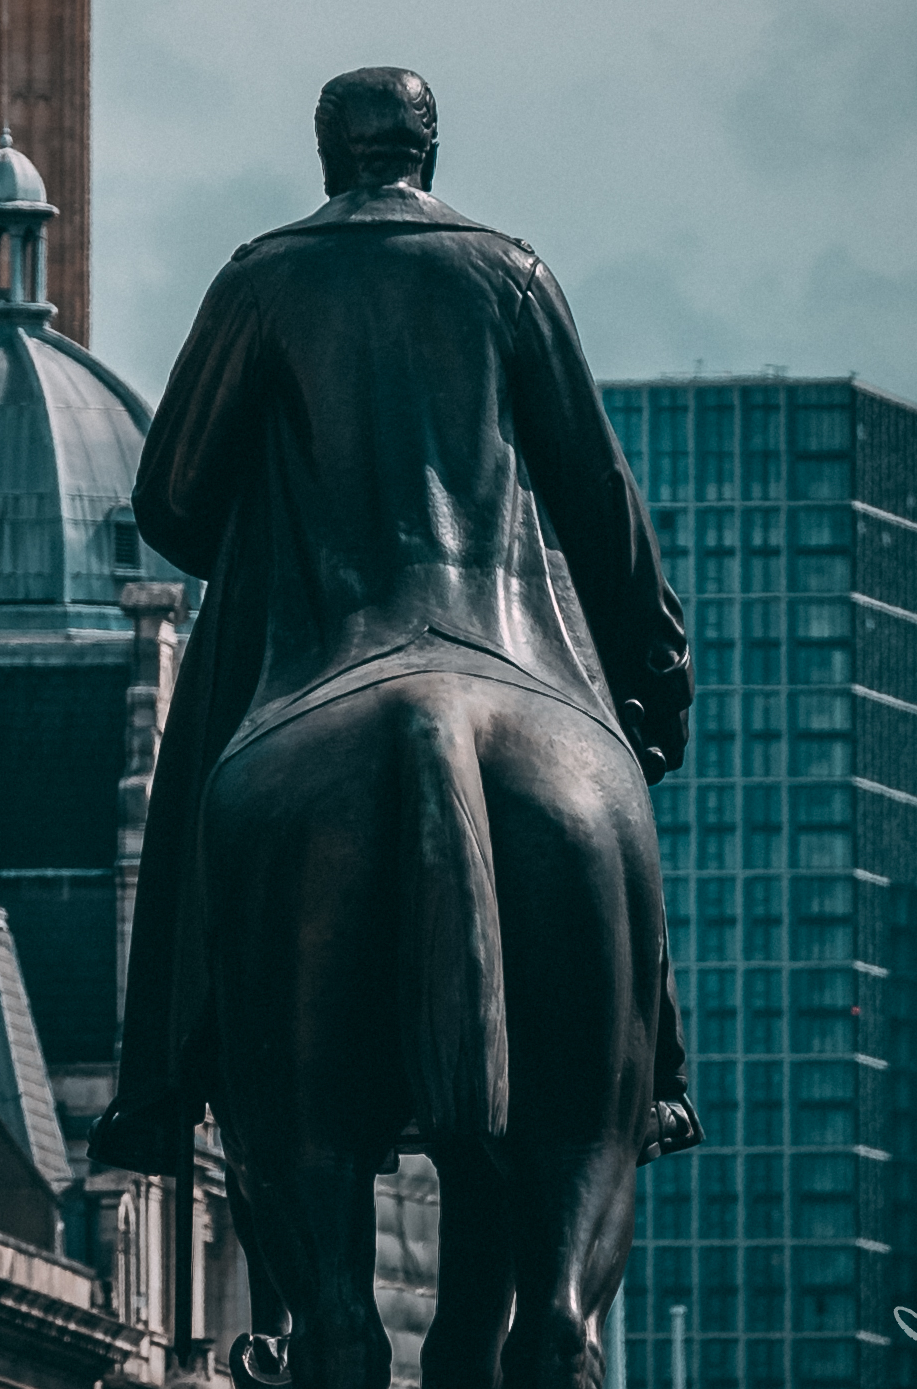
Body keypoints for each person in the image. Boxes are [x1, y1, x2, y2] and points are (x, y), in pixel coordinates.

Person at [92, 64, 698, 1173]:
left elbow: (170, 497)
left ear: (328, 157)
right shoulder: (511, 273)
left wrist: (269, 545)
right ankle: (654, 1069)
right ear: (430, 153)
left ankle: (158, 1086)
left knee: (193, 806)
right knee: (605, 797)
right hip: (497, 626)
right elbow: (600, 501)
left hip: (323, 638)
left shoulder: (261, 278)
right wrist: (653, 671)